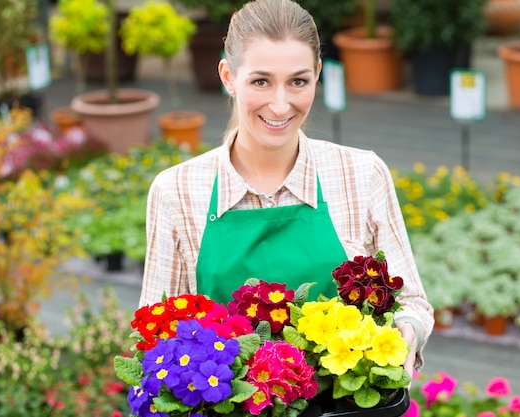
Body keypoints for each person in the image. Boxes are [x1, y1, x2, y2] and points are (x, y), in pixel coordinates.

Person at [140, 0, 434, 375]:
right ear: (228, 77)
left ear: (317, 74)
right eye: (260, 81)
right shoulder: (177, 191)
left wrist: (407, 331)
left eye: (298, 81)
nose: (280, 106)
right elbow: (157, 334)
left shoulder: (361, 174)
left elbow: (411, 301)